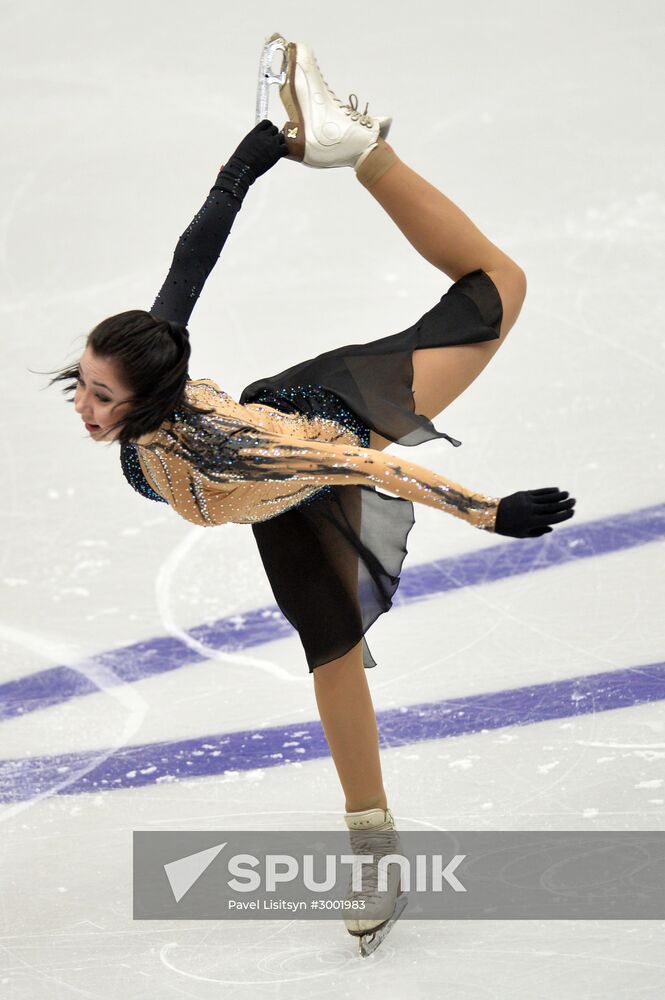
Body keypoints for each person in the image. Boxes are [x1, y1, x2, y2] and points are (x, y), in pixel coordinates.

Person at [48, 36, 575, 949]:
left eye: (101, 397)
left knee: (498, 289)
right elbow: (192, 256)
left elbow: (362, 467)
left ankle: (362, 149)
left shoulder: (240, 448)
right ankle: (374, 842)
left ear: (151, 396)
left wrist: (489, 513)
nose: (86, 409)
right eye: (85, 385)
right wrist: (248, 161)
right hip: (271, 493)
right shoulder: (151, 363)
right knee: (331, 649)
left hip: (316, 429)